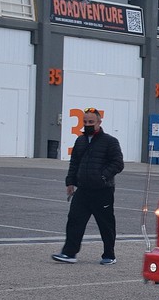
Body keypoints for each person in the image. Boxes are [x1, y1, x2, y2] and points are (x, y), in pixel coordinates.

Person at [52, 108, 124, 265]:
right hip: (83, 190)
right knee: (74, 220)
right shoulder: (80, 141)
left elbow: (118, 163)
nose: (88, 125)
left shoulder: (110, 141)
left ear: (99, 122)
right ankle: (69, 253)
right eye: (85, 122)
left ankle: (109, 255)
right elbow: (75, 163)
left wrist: (102, 176)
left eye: (91, 122)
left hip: (103, 191)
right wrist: (70, 182)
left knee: (106, 224)